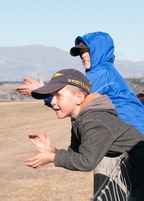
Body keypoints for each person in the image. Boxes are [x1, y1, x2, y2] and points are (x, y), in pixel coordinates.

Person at [26, 68, 144, 201]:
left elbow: (86, 162)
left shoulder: (94, 120)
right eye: (52, 96)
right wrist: (51, 151)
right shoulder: (80, 119)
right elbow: (75, 153)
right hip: (137, 176)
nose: (52, 101)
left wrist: (52, 158)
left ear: (79, 97)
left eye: (58, 95)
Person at [16, 31, 144, 134]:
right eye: (81, 52)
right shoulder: (104, 71)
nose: (83, 55)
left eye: (87, 51)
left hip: (136, 134)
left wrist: (42, 91)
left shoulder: (103, 72)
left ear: (99, 51)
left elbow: (76, 99)